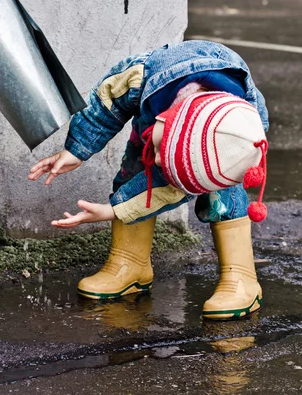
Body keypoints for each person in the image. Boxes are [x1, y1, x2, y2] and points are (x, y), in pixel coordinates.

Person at [28, 40, 269, 320]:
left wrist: (112, 210)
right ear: (165, 119)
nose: (157, 161)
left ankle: (241, 278)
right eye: (161, 151)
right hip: (158, 112)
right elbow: (106, 104)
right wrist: (76, 150)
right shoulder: (143, 75)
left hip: (221, 147)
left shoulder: (245, 130)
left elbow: (173, 186)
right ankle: (130, 263)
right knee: (136, 173)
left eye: (162, 157)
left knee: (225, 197)